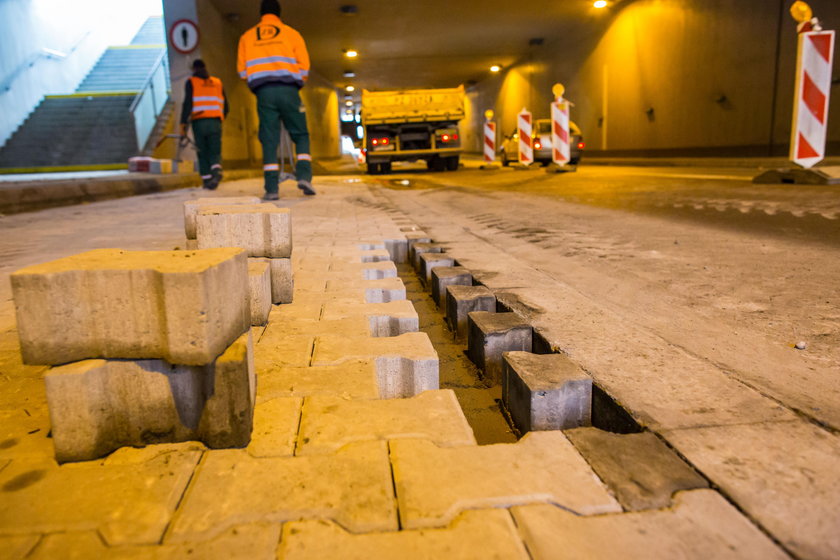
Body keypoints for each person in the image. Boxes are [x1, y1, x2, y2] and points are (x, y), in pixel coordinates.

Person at [237, 0, 316, 200]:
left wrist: (257, 84)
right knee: (300, 133)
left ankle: (271, 188)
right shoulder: (292, 34)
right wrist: (297, 82)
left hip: (264, 93)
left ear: (261, 14)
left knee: (269, 139)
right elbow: (304, 67)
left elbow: (242, 71)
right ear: (279, 14)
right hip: (289, 90)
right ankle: (304, 175)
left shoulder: (247, 37)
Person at [180, 59, 228, 189]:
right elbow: (226, 106)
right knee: (215, 150)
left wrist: (183, 123)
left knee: (202, 151)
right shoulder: (217, 82)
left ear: (194, 69)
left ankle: (207, 180)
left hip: (199, 122)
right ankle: (216, 171)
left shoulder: (191, 82)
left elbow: (187, 104)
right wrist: (219, 118)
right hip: (215, 122)